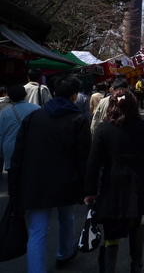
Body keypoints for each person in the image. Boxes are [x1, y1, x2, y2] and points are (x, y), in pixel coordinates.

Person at [9, 75, 91, 271]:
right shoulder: (78, 120)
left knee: (37, 230)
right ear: (74, 97)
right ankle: (64, 254)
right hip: (67, 182)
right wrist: (88, 187)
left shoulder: (33, 117)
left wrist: (15, 186)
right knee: (67, 219)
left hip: (35, 182)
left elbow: (18, 155)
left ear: (54, 94)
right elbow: (84, 158)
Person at [84, 88, 144, 273]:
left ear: (111, 105)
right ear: (133, 104)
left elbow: (93, 162)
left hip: (110, 183)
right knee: (135, 222)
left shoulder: (103, 128)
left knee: (111, 228)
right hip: (137, 182)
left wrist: (90, 191)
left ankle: (108, 269)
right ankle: (136, 266)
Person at [0, 85, 40, 172]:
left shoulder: (6, 113)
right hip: (32, 147)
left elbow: (1, 134)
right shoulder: (37, 109)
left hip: (11, 149)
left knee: (13, 180)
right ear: (25, 95)